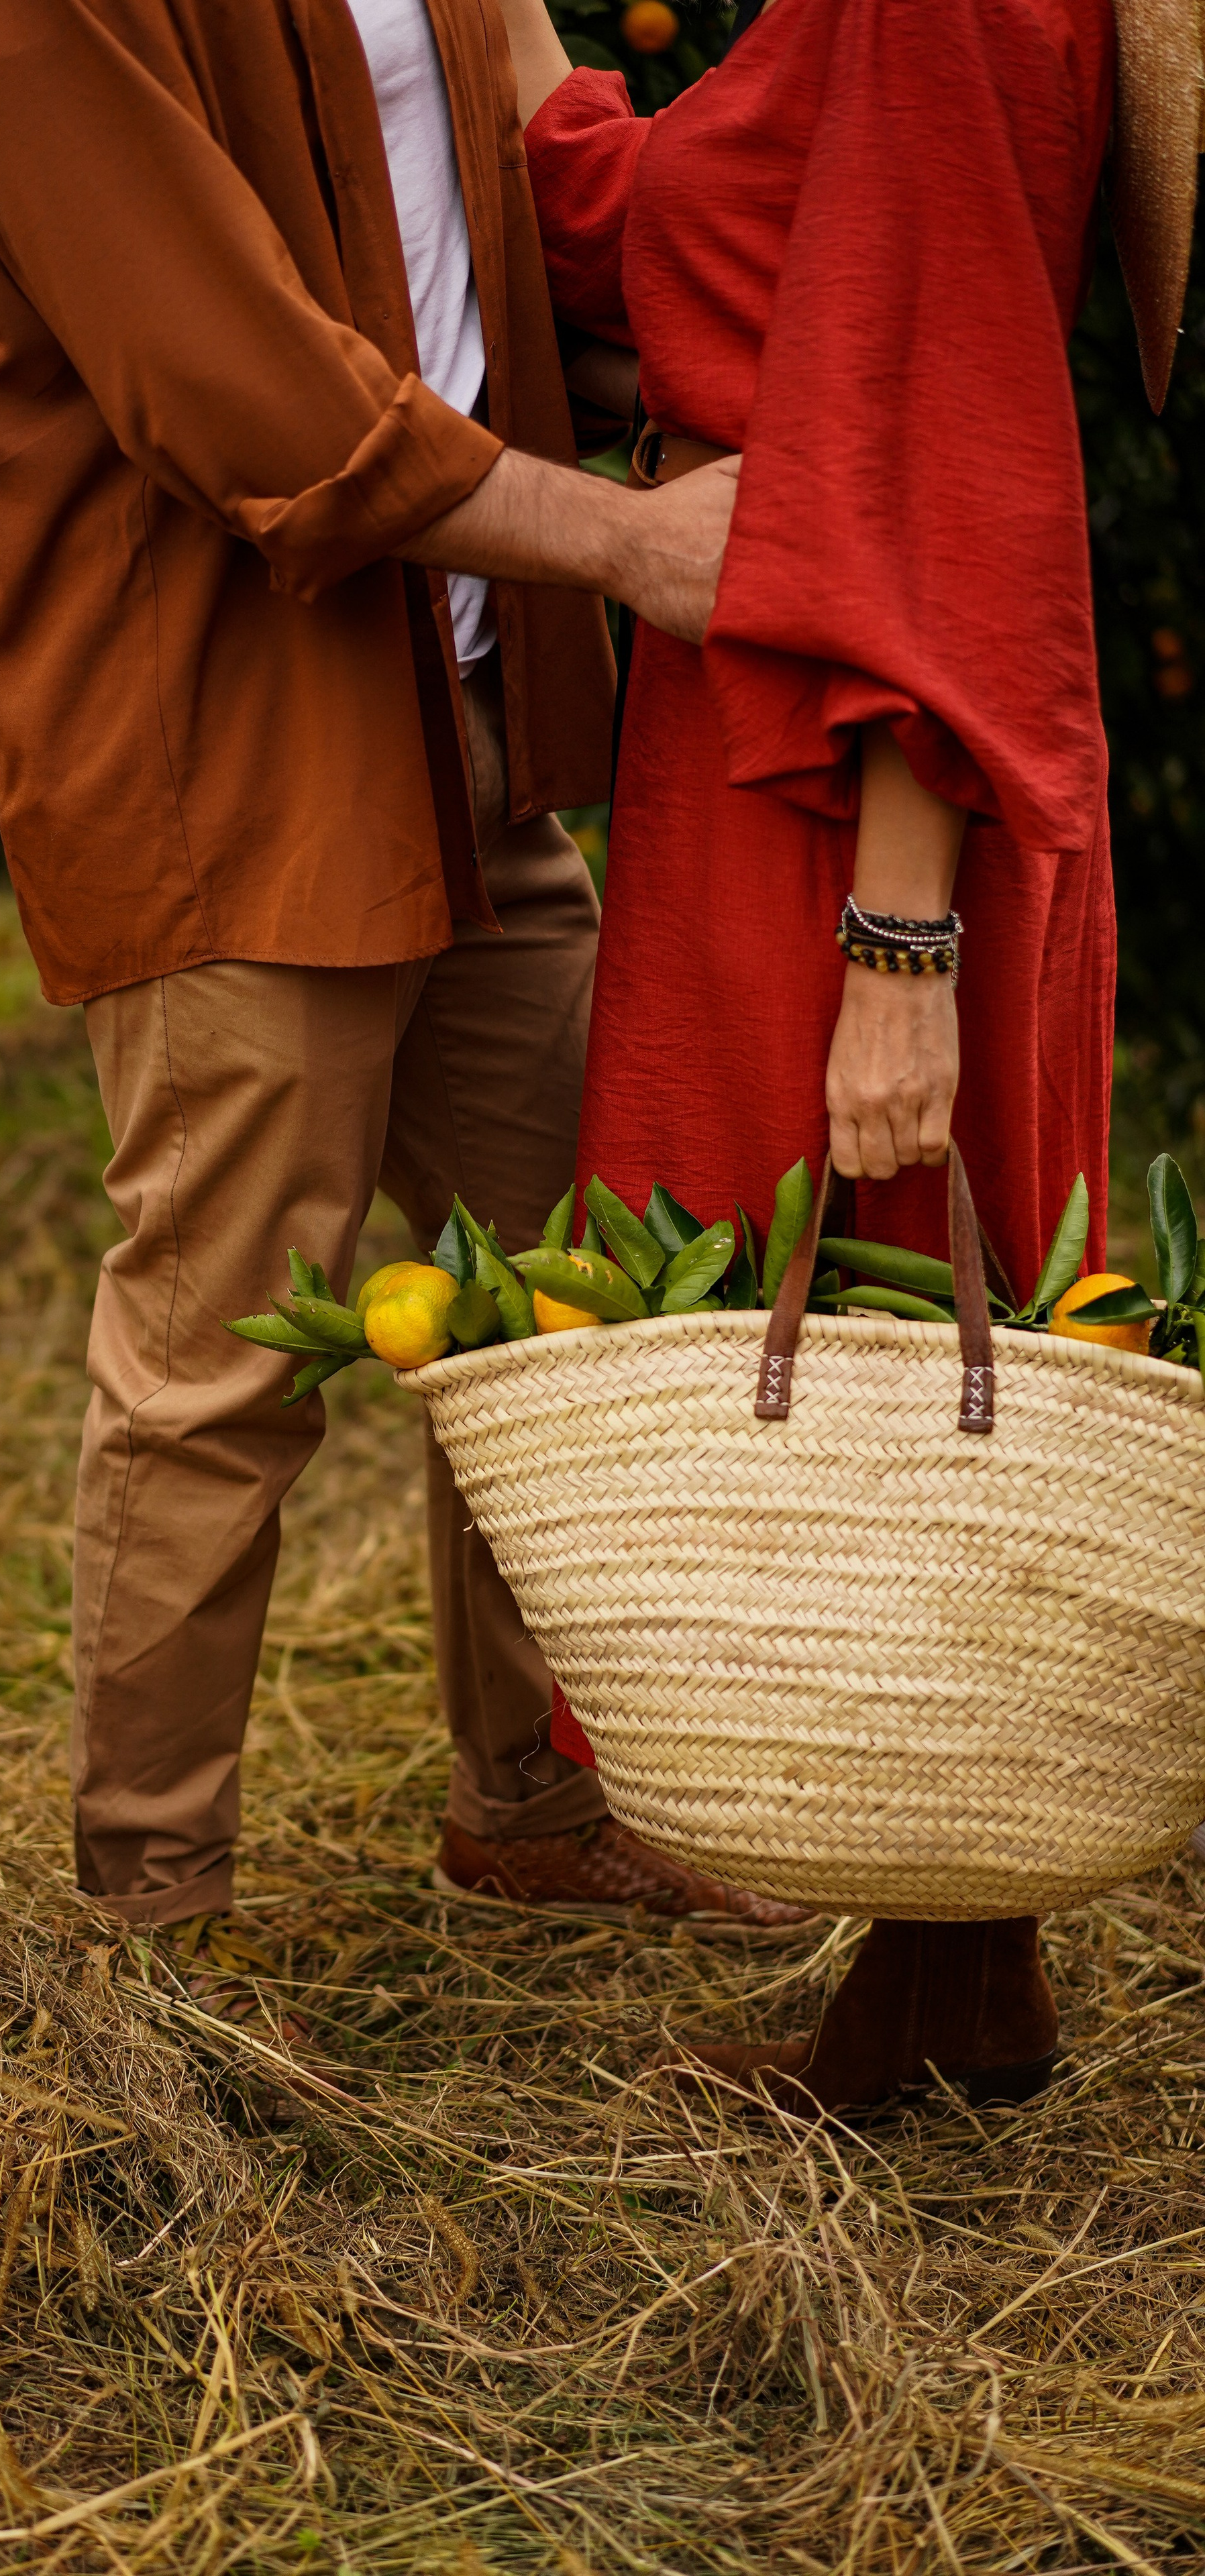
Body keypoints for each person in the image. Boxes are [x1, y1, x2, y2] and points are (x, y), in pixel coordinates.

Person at [0, 0, 805, 1945]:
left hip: (459, 710)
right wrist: (632, 545)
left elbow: (565, 182)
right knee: (228, 1354)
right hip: (236, 743)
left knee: (582, 1295)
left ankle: (537, 1799)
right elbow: (243, 399)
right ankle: (149, 1910)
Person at [494, 0, 1201, 2110]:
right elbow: (643, 223)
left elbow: (945, 436)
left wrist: (902, 946)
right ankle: (957, 1969)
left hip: (870, 786)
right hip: (814, 746)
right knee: (894, 1341)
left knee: (903, 1319)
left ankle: (956, 1939)